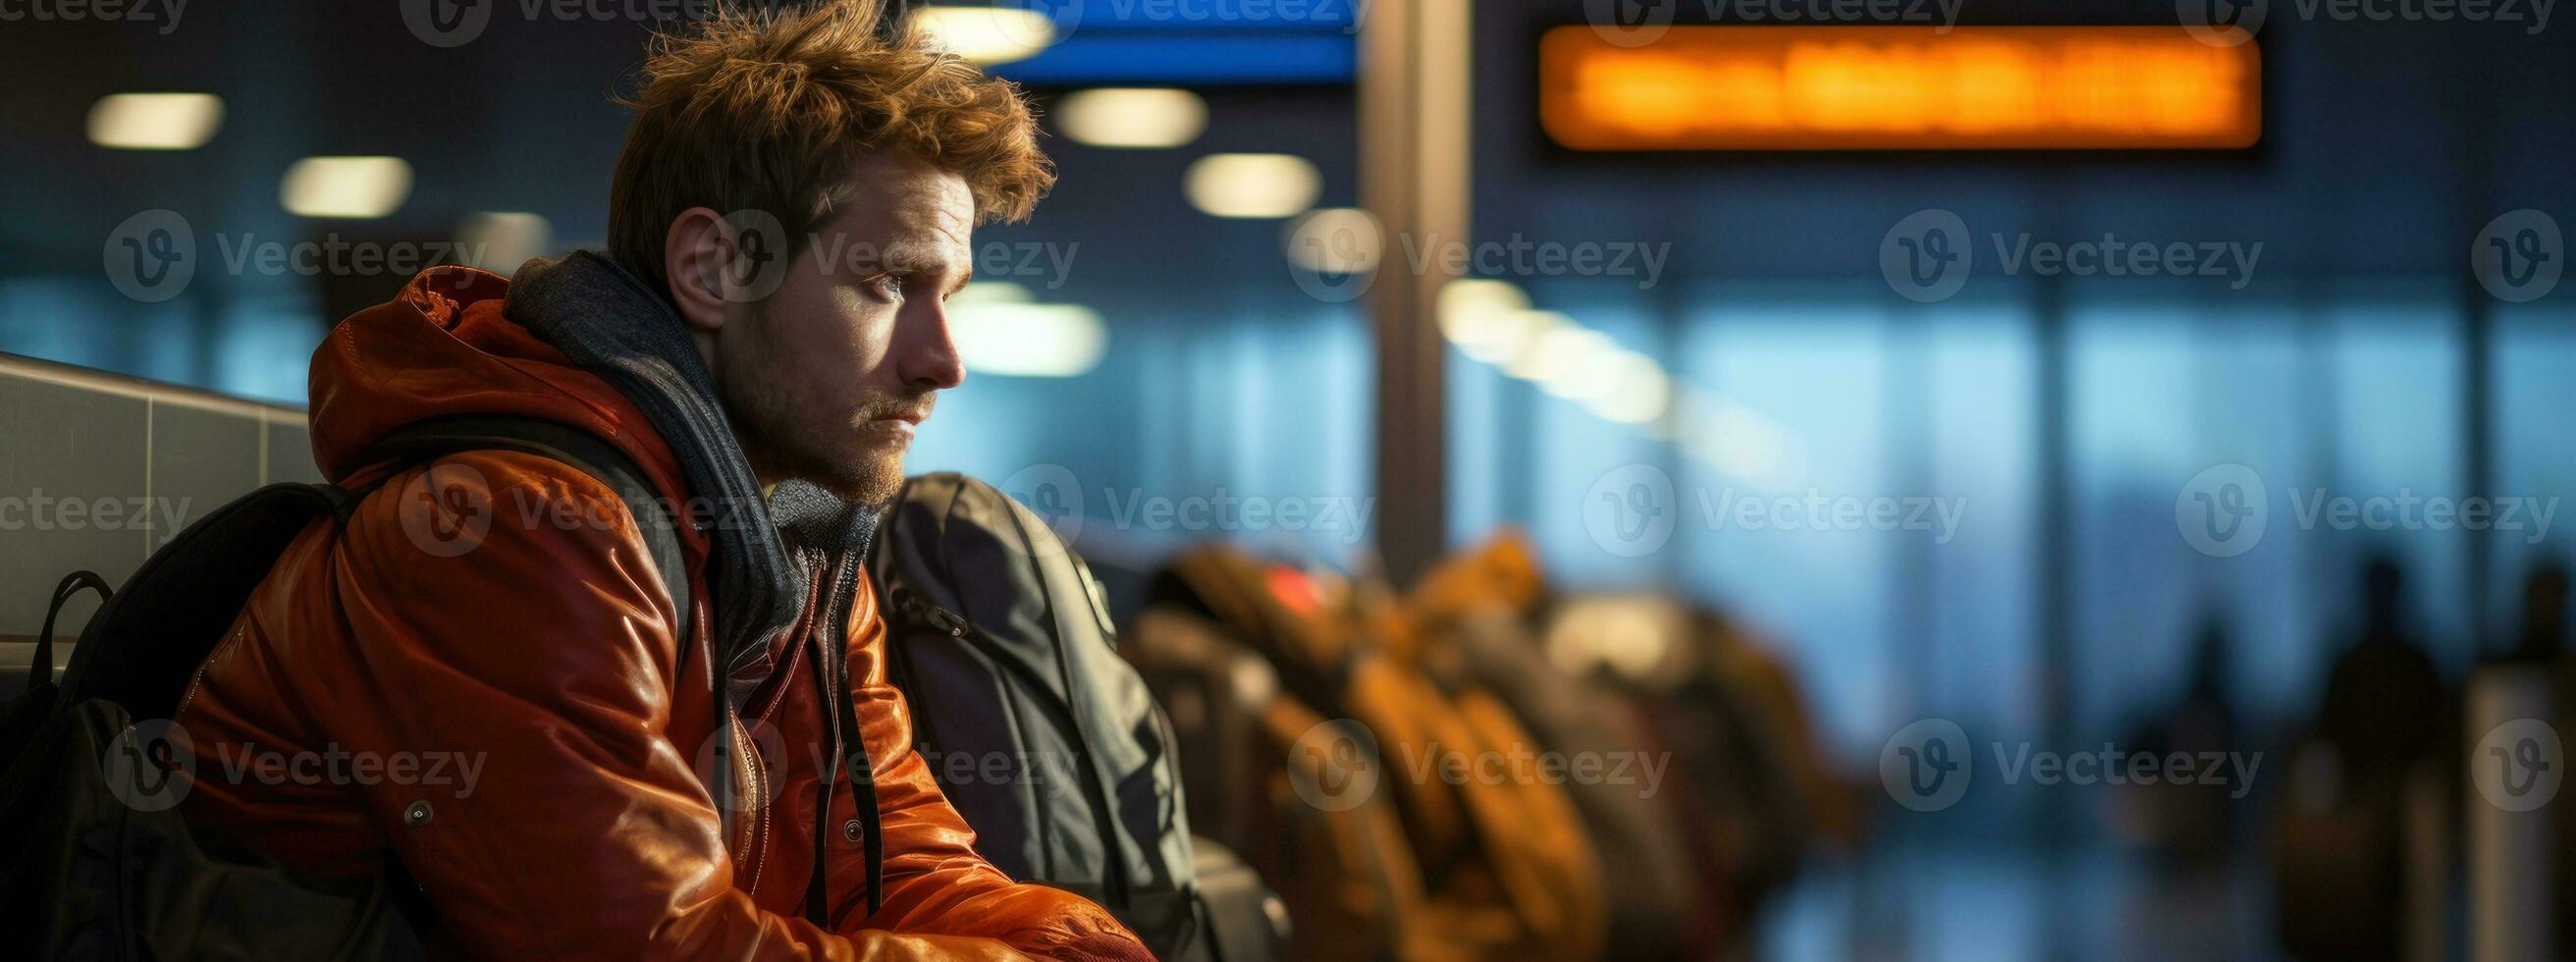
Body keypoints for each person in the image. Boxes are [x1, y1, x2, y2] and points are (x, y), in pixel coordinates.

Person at [166, 3, 1150, 958]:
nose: (944, 359)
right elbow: (650, 944)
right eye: (887, 283)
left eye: (950, 295)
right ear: (713, 268)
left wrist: (1079, 945)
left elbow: (894, 865)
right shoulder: (516, 527)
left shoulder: (795, 539)